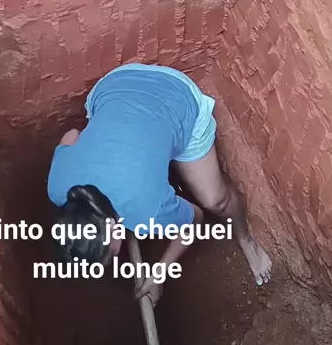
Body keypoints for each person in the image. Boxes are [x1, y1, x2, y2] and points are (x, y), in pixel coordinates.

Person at [47, 63, 271, 304]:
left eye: (110, 255)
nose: (113, 258)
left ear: (112, 226)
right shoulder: (58, 188)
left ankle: (246, 240)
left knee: (216, 201)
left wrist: (159, 274)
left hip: (176, 95)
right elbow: (72, 135)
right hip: (115, 84)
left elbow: (194, 220)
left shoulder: (147, 211)